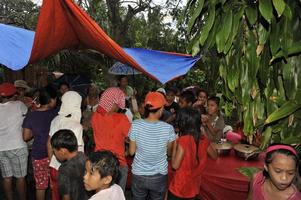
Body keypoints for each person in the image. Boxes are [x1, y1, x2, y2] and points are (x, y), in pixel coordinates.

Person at [129, 91, 176, 200]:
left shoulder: (135, 125)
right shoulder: (168, 129)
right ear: (160, 109)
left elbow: (131, 152)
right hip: (159, 175)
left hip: (138, 174)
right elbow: (169, 152)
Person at [168, 108, 217, 200]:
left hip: (179, 188)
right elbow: (215, 156)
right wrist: (204, 134)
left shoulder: (183, 140)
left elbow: (174, 165)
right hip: (193, 188)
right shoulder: (204, 139)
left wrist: (175, 142)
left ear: (183, 123)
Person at [47, 91, 84, 200]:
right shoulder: (77, 126)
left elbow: (49, 143)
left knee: (56, 195)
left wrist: (51, 163)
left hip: (54, 166)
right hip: (71, 171)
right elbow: (78, 152)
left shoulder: (55, 120)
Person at [91, 87, 130, 192]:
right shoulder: (121, 118)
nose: (119, 108)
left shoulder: (95, 116)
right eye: (118, 104)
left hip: (98, 162)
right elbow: (131, 138)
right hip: (118, 164)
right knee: (117, 194)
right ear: (113, 103)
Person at [22, 87, 58, 200]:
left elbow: (25, 137)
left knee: (40, 186)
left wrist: (37, 130)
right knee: (55, 185)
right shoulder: (57, 113)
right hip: (56, 154)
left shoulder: (31, 115)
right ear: (51, 100)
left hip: (38, 155)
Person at [0, 82, 28, 200]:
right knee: (20, 178)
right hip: (17, 146)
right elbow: (27, 113)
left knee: (7, 178)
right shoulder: (19, 105)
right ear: (14, 94)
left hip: (1, 148)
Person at [50, 129, 88, 200]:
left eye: (54, 151)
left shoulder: (63, 170)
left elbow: (66, 197)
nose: (54, 154)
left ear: (62, 151)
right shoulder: (84, 157)